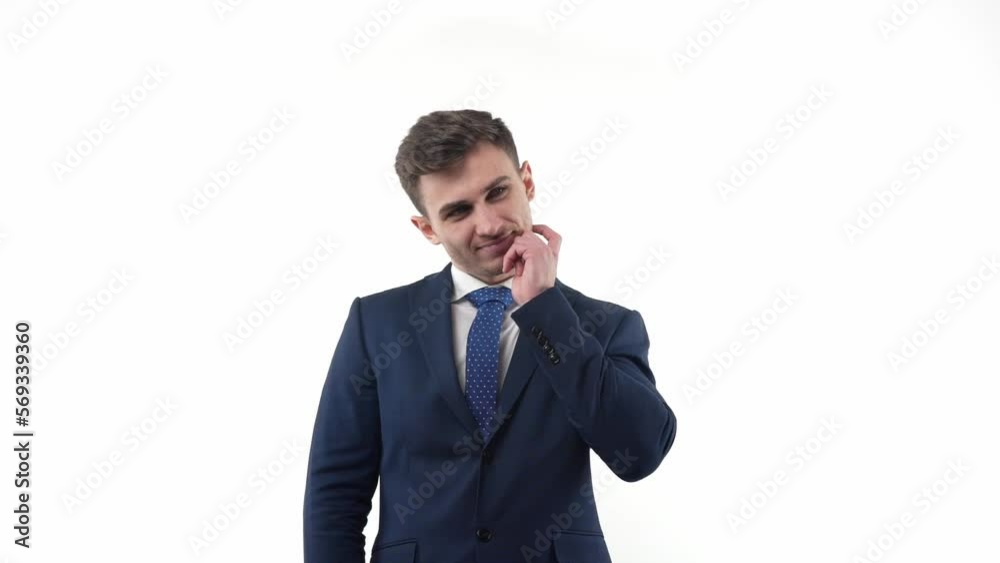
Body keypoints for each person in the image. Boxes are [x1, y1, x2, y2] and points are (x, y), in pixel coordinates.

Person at [303, 109, 677, 563]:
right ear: (427, 228)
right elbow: (335, 492)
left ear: (527, 182)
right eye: (458, 211)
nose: (491, 224)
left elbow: (639, 453)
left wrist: (545, 310)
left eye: (498, 192)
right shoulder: (377, 322)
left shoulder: (605, 324)